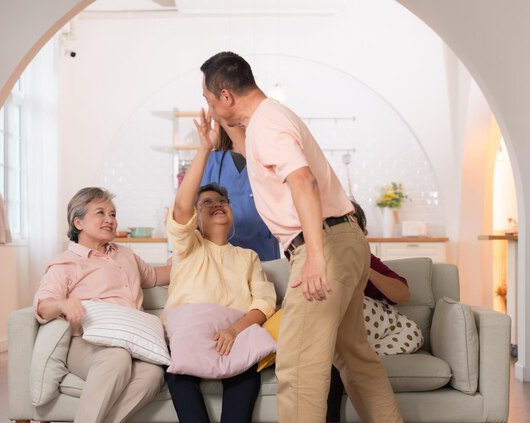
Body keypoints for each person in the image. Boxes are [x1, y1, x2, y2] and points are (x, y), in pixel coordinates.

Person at [198, 51, 403, 423]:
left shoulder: (268, 125)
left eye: (210, 100)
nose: (209, 108)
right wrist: (220, 133)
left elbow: (302, 180)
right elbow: (255, 159)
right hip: (346, 240)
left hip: (321, 245)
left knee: (298, 367)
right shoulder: (267, 121)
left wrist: (315, 257)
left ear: (225, 96)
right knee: (355, 357)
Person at [164, 115, 277, 423]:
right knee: (177, 373)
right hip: (190, 327)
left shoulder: (248, 257)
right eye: (207, 202)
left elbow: (264, 303)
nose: (216, 204)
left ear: (232, 210)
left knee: (246, 372)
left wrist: (233, 330)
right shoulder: (188, 248)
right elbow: (181, 209)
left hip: (233, 331)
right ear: (194, 219)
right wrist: (204, 149)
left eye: (222, 200)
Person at [33, 187, 171, 423]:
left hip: (132, 340)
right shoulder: (65, 263)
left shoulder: (126, 255)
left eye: (113, 214)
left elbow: (157, 277)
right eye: (101, 213)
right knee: (116, 358)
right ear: (78, 222)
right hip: (88, 345)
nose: (110, 220)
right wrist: (64, 304)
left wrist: (189, 251)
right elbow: (43, 306)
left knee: (152, 373)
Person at [326, 201, 423, 422]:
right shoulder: (318, 260)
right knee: (334, 359)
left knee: (351, 356)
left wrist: (362, 267)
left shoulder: (368, 260)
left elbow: (402, 293)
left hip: (372, 333)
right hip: (336, 338)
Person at [200, 122, 280, 261]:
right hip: (220, 254)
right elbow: (197, 209)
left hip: (262, 251)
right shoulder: (211, 161)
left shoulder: (268, 160)